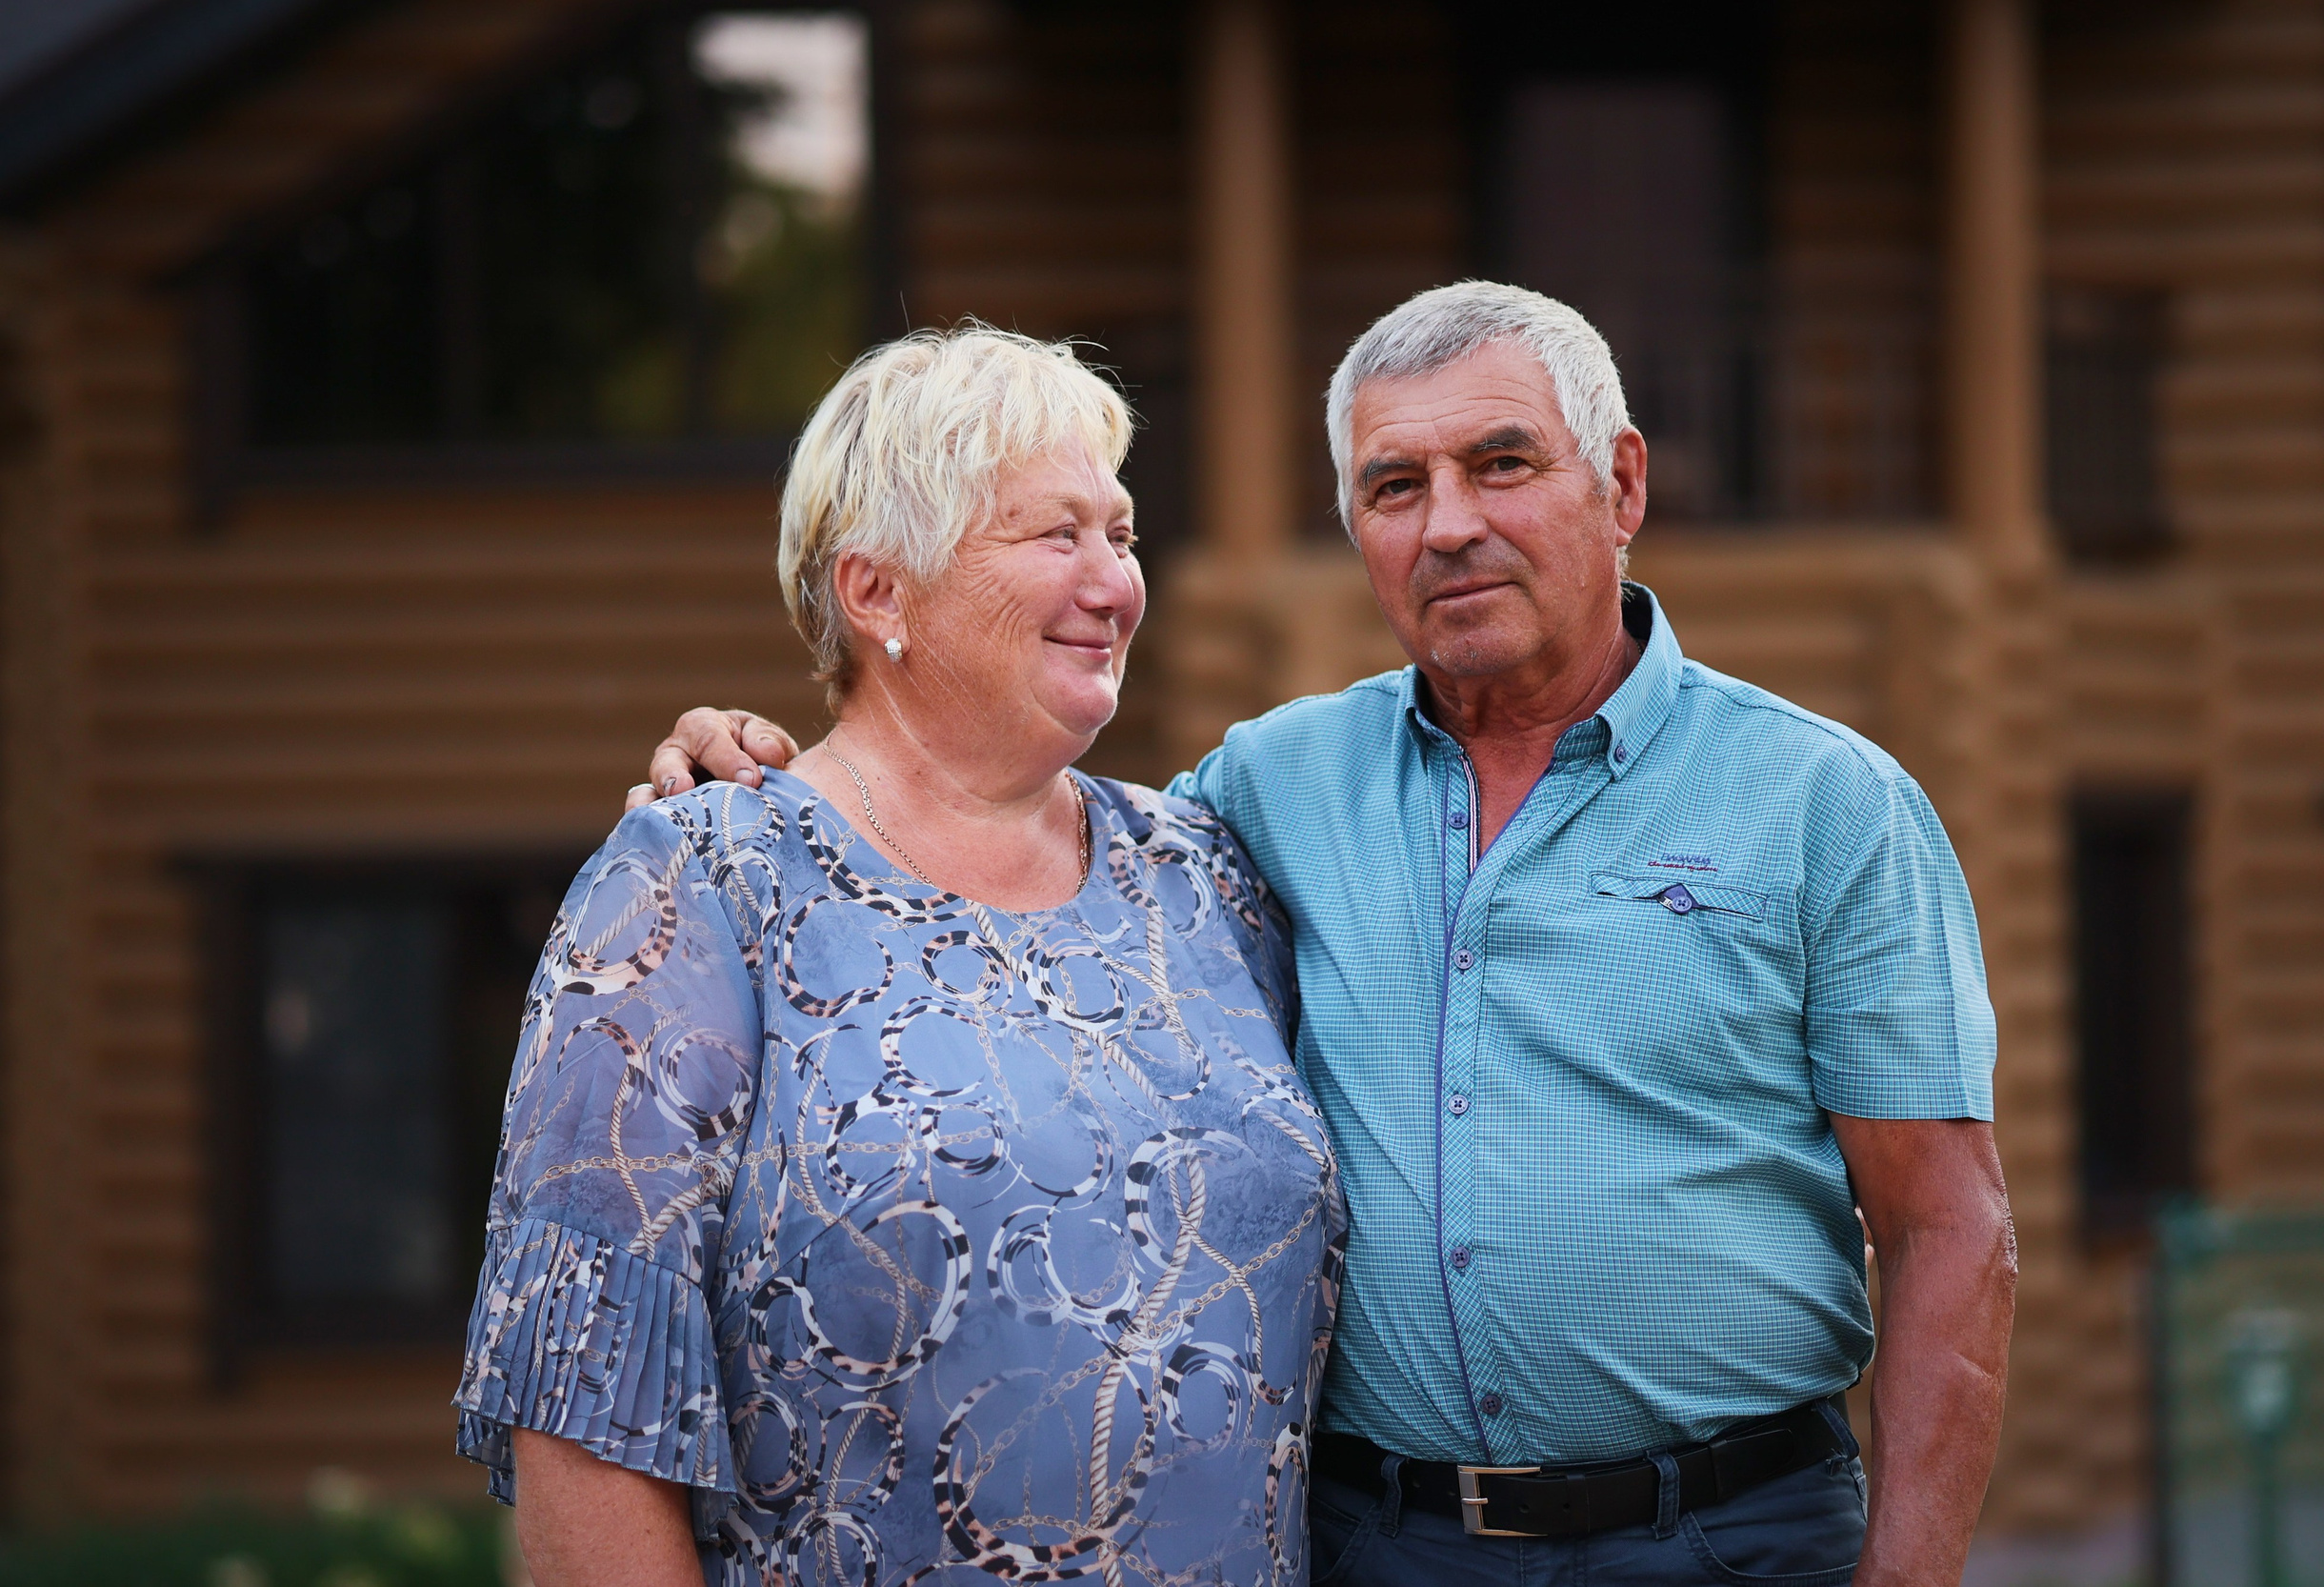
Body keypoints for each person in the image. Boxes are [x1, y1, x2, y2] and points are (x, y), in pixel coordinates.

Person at [640, 281, 2018, 1587]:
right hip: (1382, 1545)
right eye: (1395, 487)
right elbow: (1002, 847)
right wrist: (774, 773)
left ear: (1624, 488)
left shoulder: (1825, 805)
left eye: (1504, 465)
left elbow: (1950, 1228)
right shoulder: (1260, 795)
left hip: (1731, 1537)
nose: (1450, 525)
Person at [457, 325, 1346, 1587]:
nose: (1114, 586)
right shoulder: (701, 885)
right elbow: (584, 1415)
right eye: (1056, 536)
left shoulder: (1207, 875)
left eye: (1123, 535)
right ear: (876, 592)